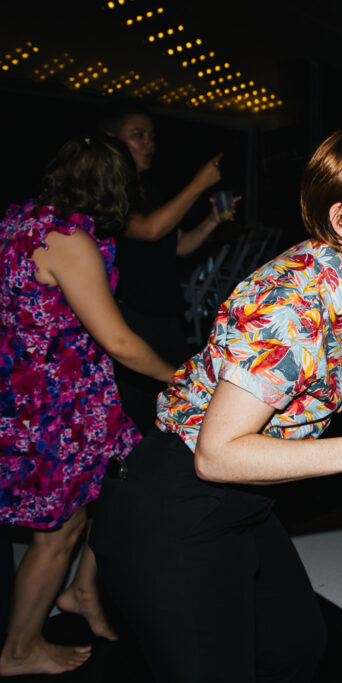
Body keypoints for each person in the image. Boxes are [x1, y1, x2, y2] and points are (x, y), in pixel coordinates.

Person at [89, 128, 342, 682]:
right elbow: (217, 454)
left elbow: (299, 373)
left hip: (240, 504)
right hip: (175, 511)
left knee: (295, 645)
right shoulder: (292, 304)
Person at [0, 136, 175, 676]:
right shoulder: (66, 241)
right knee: (54, 536)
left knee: (114, 490)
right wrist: (180, 377)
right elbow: (119, 341)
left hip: (56, 395)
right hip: (57, 409)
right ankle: (19, 650)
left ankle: (81, 591)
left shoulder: (19, 219)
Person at [100, 102, 237, 434]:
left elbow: (177, 245)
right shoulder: (111, 194)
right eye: (138, 135)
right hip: (131, 315)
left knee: (178, 405)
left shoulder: (152, 191)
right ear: (111, 140)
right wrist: (199, 183)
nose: (149, 144)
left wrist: (211, 221)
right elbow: (148, 230)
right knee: (138, 410)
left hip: (165, 312)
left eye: (151, 136)